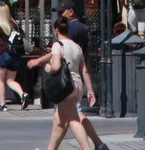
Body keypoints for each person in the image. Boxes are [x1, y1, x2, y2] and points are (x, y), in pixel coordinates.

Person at [27, 17, 97, 150]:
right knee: (59, 122)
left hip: (65, 87)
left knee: (74, 120)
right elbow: (85, 71)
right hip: (76, 85)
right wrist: (90, 91)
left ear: (56, 30)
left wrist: (47, 67)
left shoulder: (57, 45)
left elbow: (56, 67)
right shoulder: (77, 47)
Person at [57, 0, 107, 150]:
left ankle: (96, 144)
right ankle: (98, 144)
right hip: (76, 75)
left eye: (62, 11)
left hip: (69, 77)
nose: (60, 14)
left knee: (74, 116)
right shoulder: (81, 28)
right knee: (62, 119)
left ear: (71, 11)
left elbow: (65, 49)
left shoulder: (71, 28)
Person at [0, 4, 31, 111]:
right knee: (10, 80)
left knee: (0, 80)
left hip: (2, 55)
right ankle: (22, 94)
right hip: (15, 56)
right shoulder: (16, 25)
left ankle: (2, 105)